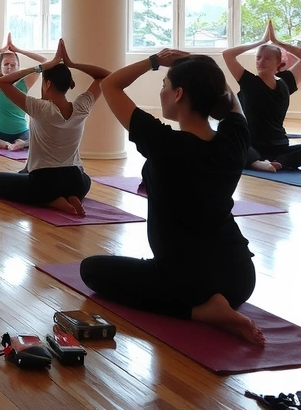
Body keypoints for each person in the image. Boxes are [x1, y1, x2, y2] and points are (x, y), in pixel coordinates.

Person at [81, 50, 264, 345]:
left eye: (165, 85)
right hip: (241, 279)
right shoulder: (235, 139)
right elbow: (231, 102)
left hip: (184, 282)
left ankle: (202, 311)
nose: (162, 91)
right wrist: (202, 66)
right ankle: (216, 307)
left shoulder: (164, 143)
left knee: (91, 270)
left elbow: (110, 85)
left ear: (179, 94)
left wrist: (155, 60)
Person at [0, 40, 108, 216]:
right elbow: (104, 76)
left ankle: (52, 201)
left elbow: (3, 82)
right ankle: (74, 196)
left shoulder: (40, 108)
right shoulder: (82, 107)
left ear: (48, 84)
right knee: (86, 179)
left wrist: (41, 67)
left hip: (44, 182)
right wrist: (72, 64)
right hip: (75, 180)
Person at [222, 19, 301, 172]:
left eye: (267, 58)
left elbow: (228, 54)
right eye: (258, 57)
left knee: (231, 145)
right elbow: (227, 54)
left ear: (278, 62)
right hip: (256, 145)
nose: (261, 61)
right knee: (227, 139)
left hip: (271, 145)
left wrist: (277, 42)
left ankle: (265, 162)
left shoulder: (283, 82)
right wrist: (261, 41)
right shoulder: (251, 81)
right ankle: (274, 162)